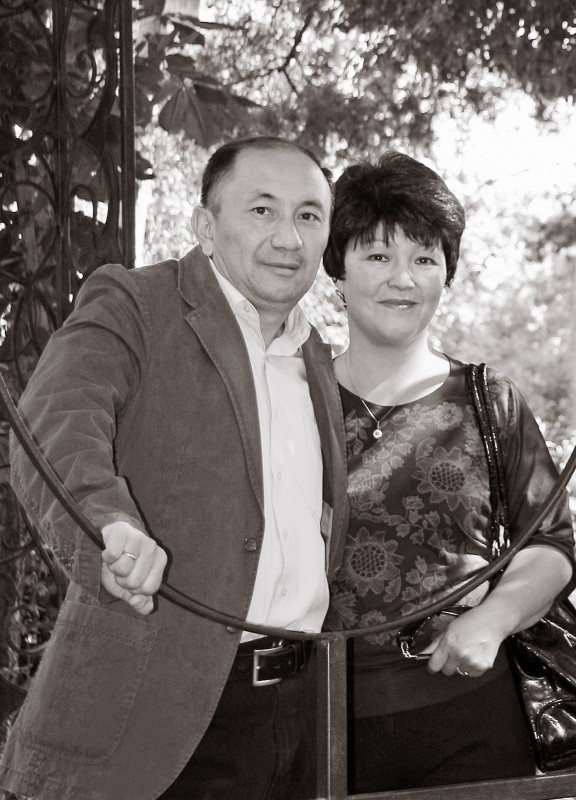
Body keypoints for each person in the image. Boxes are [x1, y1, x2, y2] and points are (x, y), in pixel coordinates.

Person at [0, 136, 348, 800]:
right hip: (151, 721)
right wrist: (108, 528)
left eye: (309, 215)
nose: (288, 237)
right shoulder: (136, 302)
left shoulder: (317, 359)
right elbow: (57, 419)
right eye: (262, 210)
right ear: (205, 228)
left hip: (297, 725)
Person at [322, 151, 576, 792]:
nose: (401, 280)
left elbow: (552, 545)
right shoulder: (291, 399)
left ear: (448, 273)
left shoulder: (491, 402)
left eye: (424, 259)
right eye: (377, 256)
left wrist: (493, 619)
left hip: (473, 722)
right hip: (319, 731)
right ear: (337, 269)